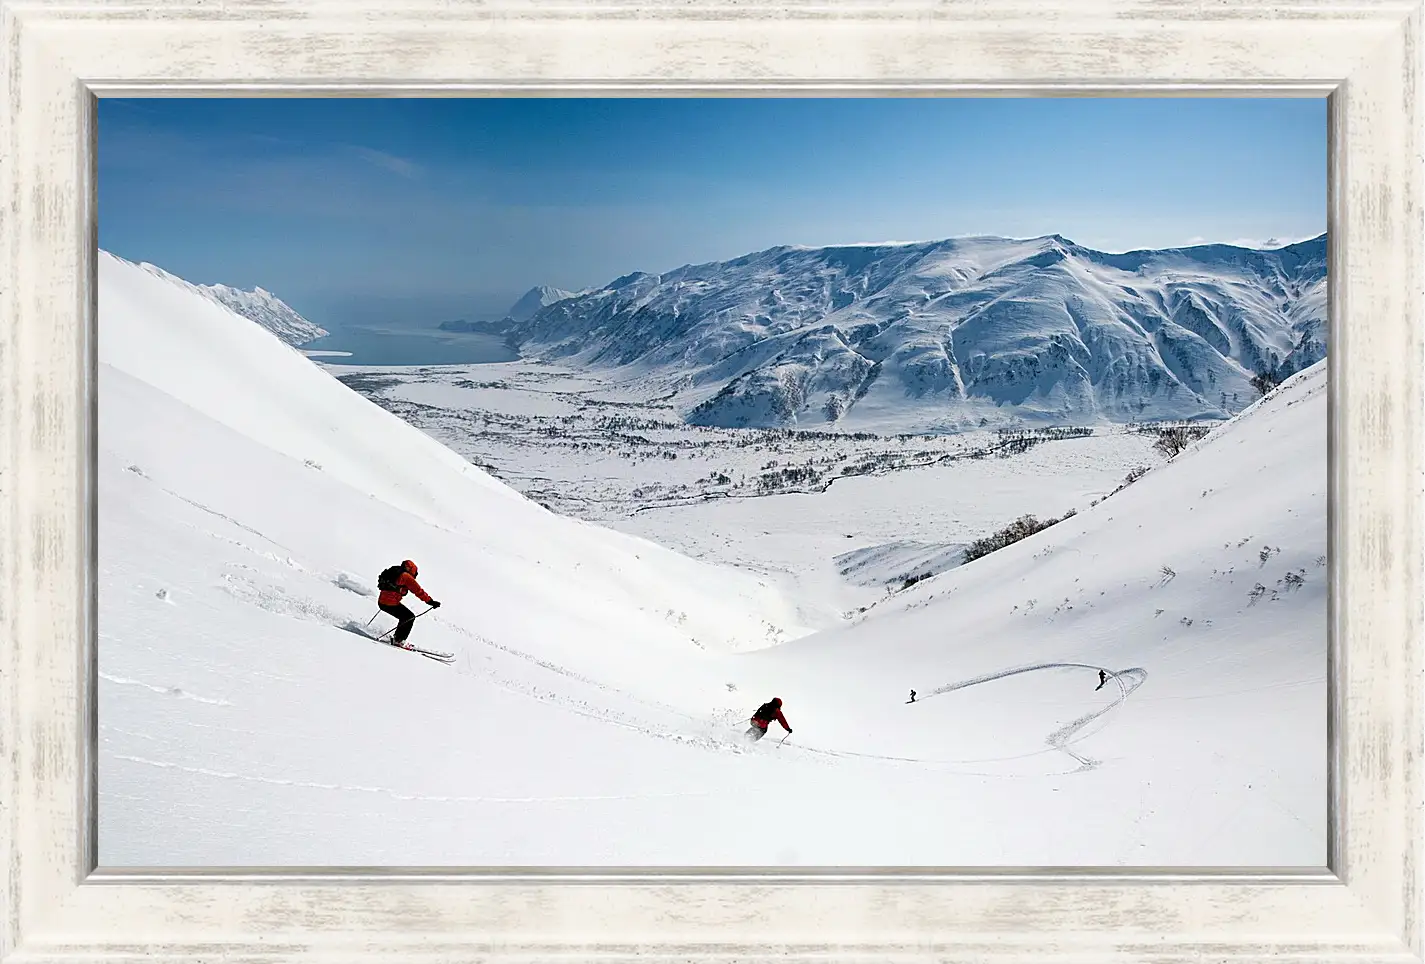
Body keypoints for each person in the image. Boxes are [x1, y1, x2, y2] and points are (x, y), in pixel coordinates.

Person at [376, 559, 440, 648]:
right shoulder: (406, 577)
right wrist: (430, 601)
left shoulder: (395, 571)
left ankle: (397, 638)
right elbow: (418, 591)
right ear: (412, 570)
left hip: (382, 602)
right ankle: (399, 641)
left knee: (405, 616)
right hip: (389, 604)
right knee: (409, 617)